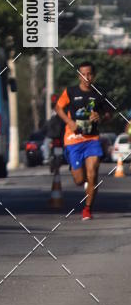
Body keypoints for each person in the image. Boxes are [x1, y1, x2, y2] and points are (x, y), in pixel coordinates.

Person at [55, 61, 111, 220]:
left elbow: (109, 115)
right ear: (79, 75)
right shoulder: (71, 91)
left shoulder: (100, 93)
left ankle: (87, 209)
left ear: (94, 75)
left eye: (89, 74)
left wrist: (101, 116)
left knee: (93, 174)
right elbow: (58, 108)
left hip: (92, 139)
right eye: (83, 74)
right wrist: (69, 122)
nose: (86, 77)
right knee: (80, 180)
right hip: (73, 140)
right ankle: (85, 177)